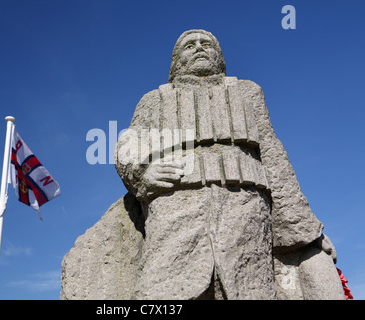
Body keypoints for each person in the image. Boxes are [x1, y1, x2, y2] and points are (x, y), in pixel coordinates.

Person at [115, 29, 342, 299]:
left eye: (207, 44)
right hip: (174, 206)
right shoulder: (153, 100)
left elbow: (272, 155)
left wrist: (306, 230)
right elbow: (128, 144)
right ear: (177, 59)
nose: (199, 48)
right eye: (189, 46)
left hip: (245, 207)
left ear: (219, 56)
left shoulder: (248, 92)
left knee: (249, 289)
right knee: (163, 289)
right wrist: (143, 174)